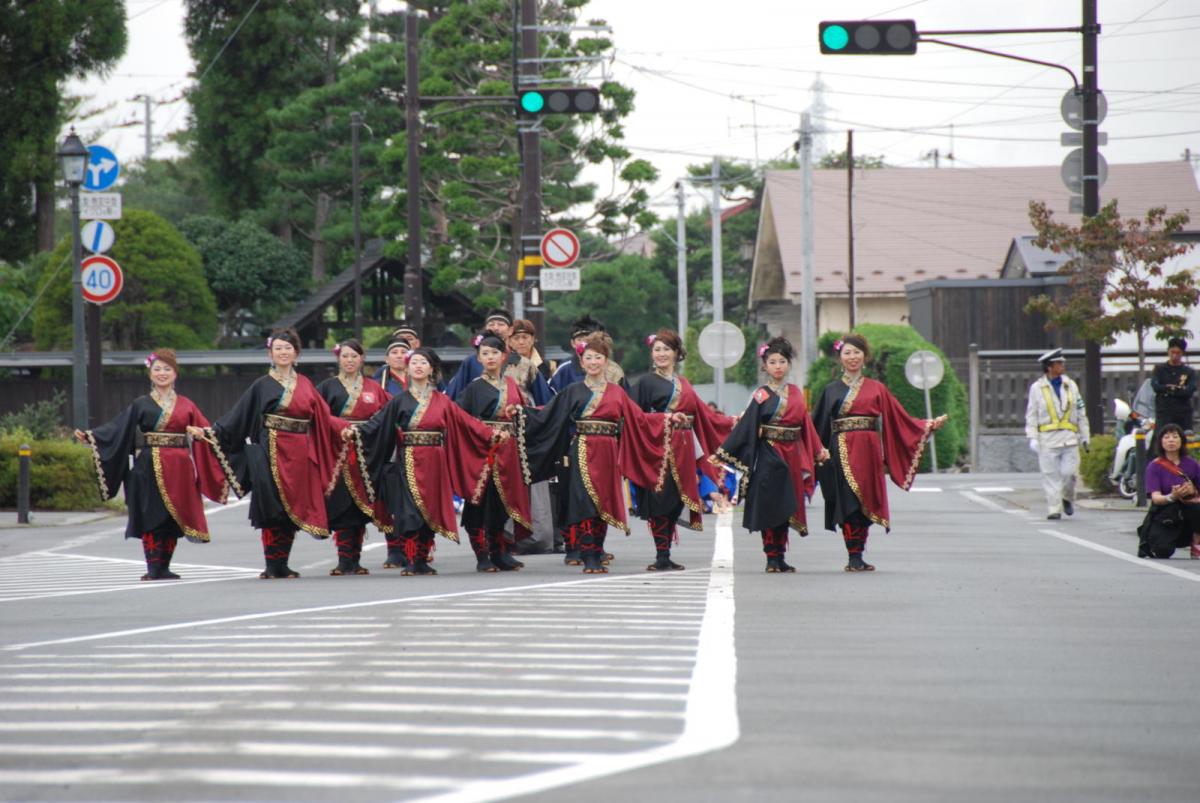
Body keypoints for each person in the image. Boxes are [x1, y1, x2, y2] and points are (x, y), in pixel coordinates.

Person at [188, 329, 348, 579]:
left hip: (300, 454)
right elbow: (237, 417)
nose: (283, 352)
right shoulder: (261, 385)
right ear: (270, 354)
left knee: (292, 508)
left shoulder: (305, 384)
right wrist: (210, 432)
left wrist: (348, 429)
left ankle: (283, 563)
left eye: (288, 348)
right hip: (270, 450)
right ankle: (272, 564)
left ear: (296, 352)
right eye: (278, 348)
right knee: (272, 507)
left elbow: (324, 418)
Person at [521, 333, 682, 573]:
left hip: (609, 452)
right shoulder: (573, 390)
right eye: (589, 358)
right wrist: (521, 412)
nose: (594, 362)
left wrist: (667, 417)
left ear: (606, 361)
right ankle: (589, 556)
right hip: (583, 450)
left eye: (599, 357)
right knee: (585, 502)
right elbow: (547, 413)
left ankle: (597, 550)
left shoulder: (617, 393)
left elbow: (639, 418)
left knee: (602, 504)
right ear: (582, 361)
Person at [349, 347, 503, 576]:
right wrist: (354, 432)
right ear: (409, 368)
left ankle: (422, 558)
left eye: (423, 362)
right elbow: (377, 424)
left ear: (431, 369)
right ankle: (411, 559)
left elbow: (466, 422)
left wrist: (490, 435)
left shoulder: (442, 401)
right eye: (414, 362)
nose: (418, 366)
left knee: (430, 510)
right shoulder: (399, 400)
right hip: (409, 459)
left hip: (436, 461)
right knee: (410, 512)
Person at [76, 349, 228, 581]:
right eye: (157, 369)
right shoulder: (141, 404)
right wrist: (92, 436)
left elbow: (207, 430)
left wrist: (201, 432)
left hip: (179, 467)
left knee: (172, 516)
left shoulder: (187, 405)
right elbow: (118, 427)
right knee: (152, 515)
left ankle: (164, 566)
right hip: (149, 465)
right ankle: (153, 566)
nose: (162, 373)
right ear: (150, 373)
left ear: (175, 373)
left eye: (167, 369)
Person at [812, 334, 947, 571]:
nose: (852, 357)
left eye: (857, 352)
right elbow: (818, 426)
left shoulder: (877, 388)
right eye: (847, 353)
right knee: (849, 501)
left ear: (865, 356)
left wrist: (925, 425)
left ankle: (860, 554)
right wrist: (816, 452)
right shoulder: (831, 390)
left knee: (867, 499)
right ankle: (853, 555)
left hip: (869, 451)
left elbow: (898, 418)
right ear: (840, 358)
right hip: (841, 448)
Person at [715, 337, 828, 573]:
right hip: (769, 453)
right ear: (765, 366)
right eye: (772, 362)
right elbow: (747, 426)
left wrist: (818, 450)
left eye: (782, 361)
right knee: (770, 504)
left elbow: (806, 424)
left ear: (788, 365)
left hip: (792, 454)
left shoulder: (796, 393)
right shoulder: (761, 395)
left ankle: (781, 555)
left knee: (787, 504)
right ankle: (771, 556)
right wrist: (725, 452)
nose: (778, 366)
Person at [630, 328, 736, 571]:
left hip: (684, 449)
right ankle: (661, 553)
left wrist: (732, 422)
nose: (661, 354)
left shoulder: (684, 383)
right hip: (658, 449)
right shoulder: (645, 382)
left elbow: (705, 415)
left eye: (666, 349)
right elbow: (635, 416)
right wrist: (666, 418)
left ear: (676, 353)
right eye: (657, 349)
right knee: (660, 499)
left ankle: (666, 553)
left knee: (677, 500)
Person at [455, 332, 533, 572]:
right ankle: (482, 555)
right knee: (479, 503)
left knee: (502, 503)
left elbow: (525, 415)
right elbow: (461, 419)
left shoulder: (512, 385)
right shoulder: (473, 388)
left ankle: (499, 551)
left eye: (495, 353)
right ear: (478, 358)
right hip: (482, 452)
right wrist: (485, 433)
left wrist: (518, 410)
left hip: (507, 452)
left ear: (504, 356)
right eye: (485, 354)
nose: (490, 358)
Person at [316, 339, 392, 576]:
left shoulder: (373, 388)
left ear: (362, 359)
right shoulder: (327, 387)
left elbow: (388, 415)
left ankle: (355, 559)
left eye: (354, 356)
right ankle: (343, 559)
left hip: (366, 452)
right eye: (345, 356)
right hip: (336, 452)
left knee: (362, 504)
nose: (350, 360)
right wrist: (340, 428)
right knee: (341, 503)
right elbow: (318, 416)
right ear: (339, 358)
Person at [1023, 347, 1089, 521]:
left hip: (1069, 438)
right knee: (1050, 476)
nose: (1062, 366)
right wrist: (1032, 438)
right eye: (1059, 363)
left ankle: (1067, 497)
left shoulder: (1071, 385)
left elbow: (1081, 412)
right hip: (1047, 440)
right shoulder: (1037, 388)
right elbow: (1032, 415)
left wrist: (1085, 436)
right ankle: (1054, 508)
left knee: (1069, 474)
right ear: (1049, 367)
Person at [1139, 423, 1200, 559]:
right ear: (1161, 442)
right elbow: (1156, 498)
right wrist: (1173, 496)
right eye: (1166, 437)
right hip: (1165, 511)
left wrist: (1192, 492)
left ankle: (1196, 544)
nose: (1171, 440)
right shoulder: (1154, 466)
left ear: (1182, 441)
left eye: (1175, 437)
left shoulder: (1192, 464)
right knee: (1162, 551)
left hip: (1189, 508)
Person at [1152, 337, 1196, 433]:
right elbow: (1156, 387)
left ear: (1182, 353)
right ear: (1168, 351)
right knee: (1162, 437)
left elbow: (1189, 391)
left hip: (1183, 412)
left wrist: (1168, 390)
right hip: (1164, 411)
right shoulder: (1159, 369)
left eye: (1178, 353)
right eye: (1172, 352)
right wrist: (1176, 389)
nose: (1175, 355)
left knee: (1186, 437)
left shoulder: (1189, 372)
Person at [509, 318, 551, 382]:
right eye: (516, 338)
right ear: (509, 342)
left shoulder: (547, 365)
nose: (521, 342)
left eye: (525, 337)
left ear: (532, 339)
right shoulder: (503, 365)